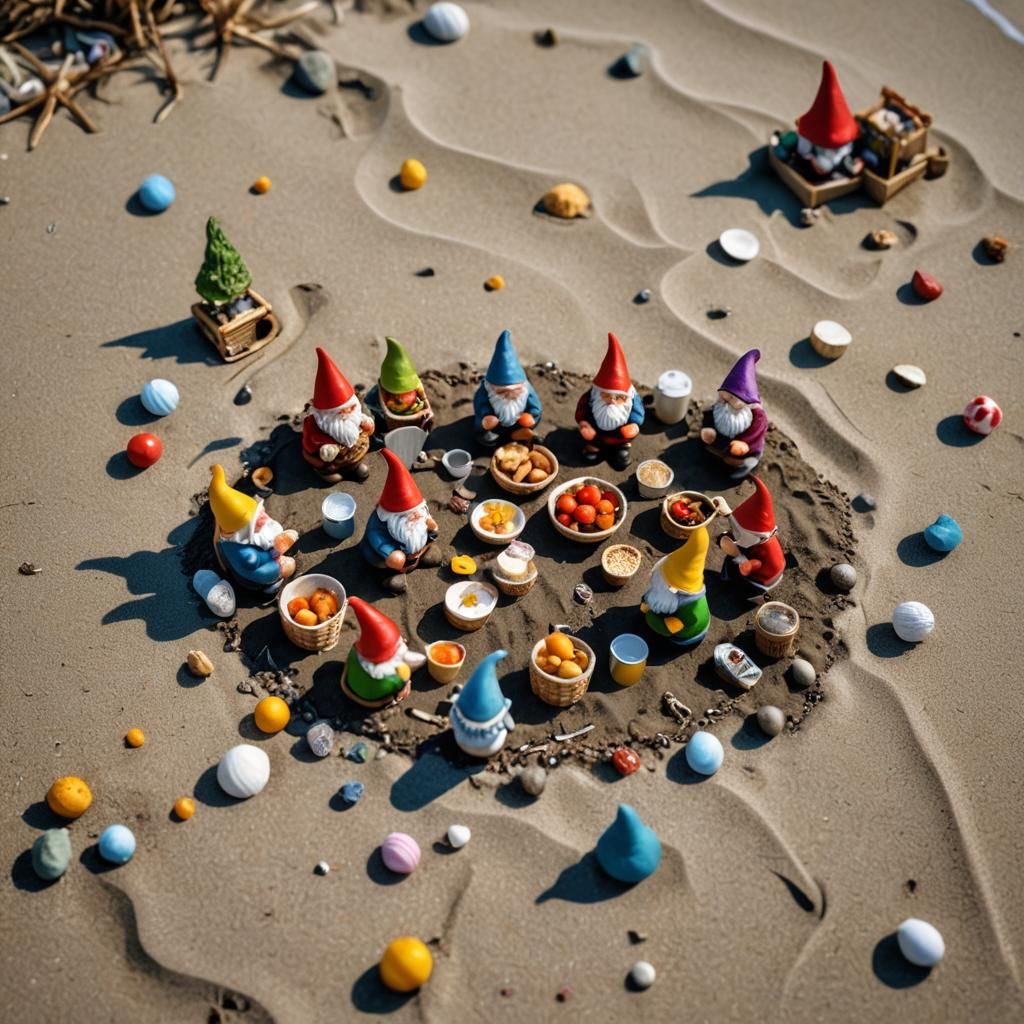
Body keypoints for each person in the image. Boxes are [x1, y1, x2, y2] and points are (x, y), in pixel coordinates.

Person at [360, 449, 441, 592]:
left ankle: (419, 558)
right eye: (406, 515)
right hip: (386, 556)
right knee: (384, 562)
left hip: (413, 554)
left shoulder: (419, 514)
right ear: (393, 515)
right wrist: (391, 554)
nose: (414, 517)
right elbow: (377, 540)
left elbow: (427, 523)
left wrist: (431, 531)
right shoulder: (378, 522)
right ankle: (387, 576)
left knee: (432, 544)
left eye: (415, 512)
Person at [208, 465, 297, 593]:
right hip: (254, 574)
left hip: (260, 558)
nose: (265, 517)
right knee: (287, 566)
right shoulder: (244, 553)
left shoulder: (236, 536)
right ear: (245, 530)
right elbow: (253, 561)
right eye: (259, 520)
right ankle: (269, 586)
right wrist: (274, 552)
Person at [301, 347, 374, 482]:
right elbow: (309, 442)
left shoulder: (354, 414)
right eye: (343, 410)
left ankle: (355, 467)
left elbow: (364, 425)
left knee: (357, 462)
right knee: (329, 468)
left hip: (354, 454)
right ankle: (326, 474)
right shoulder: (316, 421)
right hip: (332, 461)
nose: (350, 412)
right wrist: (324, 447)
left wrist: (367, 424)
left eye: (352, 407)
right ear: (329, 413)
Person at [575, 332, 645, 469]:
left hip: (620, 435)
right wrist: (583, 422)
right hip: (596, 433)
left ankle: (620, 450)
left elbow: (638, 413)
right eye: (606, 396)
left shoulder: (631, 399)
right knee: (591, 440)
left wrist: (634, 425)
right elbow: (581, 410)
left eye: (619, 397)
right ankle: (595, 447)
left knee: (621, 452)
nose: (612, 400)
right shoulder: (591, 397)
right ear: (598, 392)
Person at [342, 597, 424, 707]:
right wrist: (404, 680)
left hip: (351, 682)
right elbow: (401, 680)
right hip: (374, 699)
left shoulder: (356, 651)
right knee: (404, 679)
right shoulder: (390, 678)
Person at [700, 349, 768, 479]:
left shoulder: (757, 416)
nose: (726, 399)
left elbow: (756, 433)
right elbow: (709, 413)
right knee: (711, 450)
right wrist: (708, 427)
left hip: (742, 447)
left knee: (734, 460)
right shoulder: (720, 404)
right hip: (720, 440)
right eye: (723, 395)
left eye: (731, 397)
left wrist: (744, 443)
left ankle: (745, 466)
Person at [717, 476, 786, 602]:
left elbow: (748, 567)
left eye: (737, 532)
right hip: (759, 559)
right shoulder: (761, 538)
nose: (733, 531)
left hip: (761, 577)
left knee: (731, 562)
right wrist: (728, 514)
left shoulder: (762, 548)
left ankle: (742, 592)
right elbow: (743, 527)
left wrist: (736, 554)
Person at [640, 526, 711, 647]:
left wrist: (651, 617)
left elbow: (668, 627)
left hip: (685, 630)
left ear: (672, 589)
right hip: (676, 610)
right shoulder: (673, 595)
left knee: (657, 625)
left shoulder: (690, 612)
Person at [793, 60, 863, 180]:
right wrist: (810, 157)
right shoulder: (812, 134)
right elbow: (804, 150)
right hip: (823, 156)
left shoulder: (844, 141)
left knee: (826, 163)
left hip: (833, 158)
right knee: (822, 162)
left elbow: (845, 149)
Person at [473, 330, 542, 447]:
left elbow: (536, 407)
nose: (509, 395)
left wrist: (531, 415)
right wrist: (485, 417)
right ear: (492, 387)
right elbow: (480, 405)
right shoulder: (486, 390)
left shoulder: (527, 390)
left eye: (515, 391)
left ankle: (520, 437)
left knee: (525, 432)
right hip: (495, 426)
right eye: (502, 392)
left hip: (519, 422)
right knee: (485, 437)